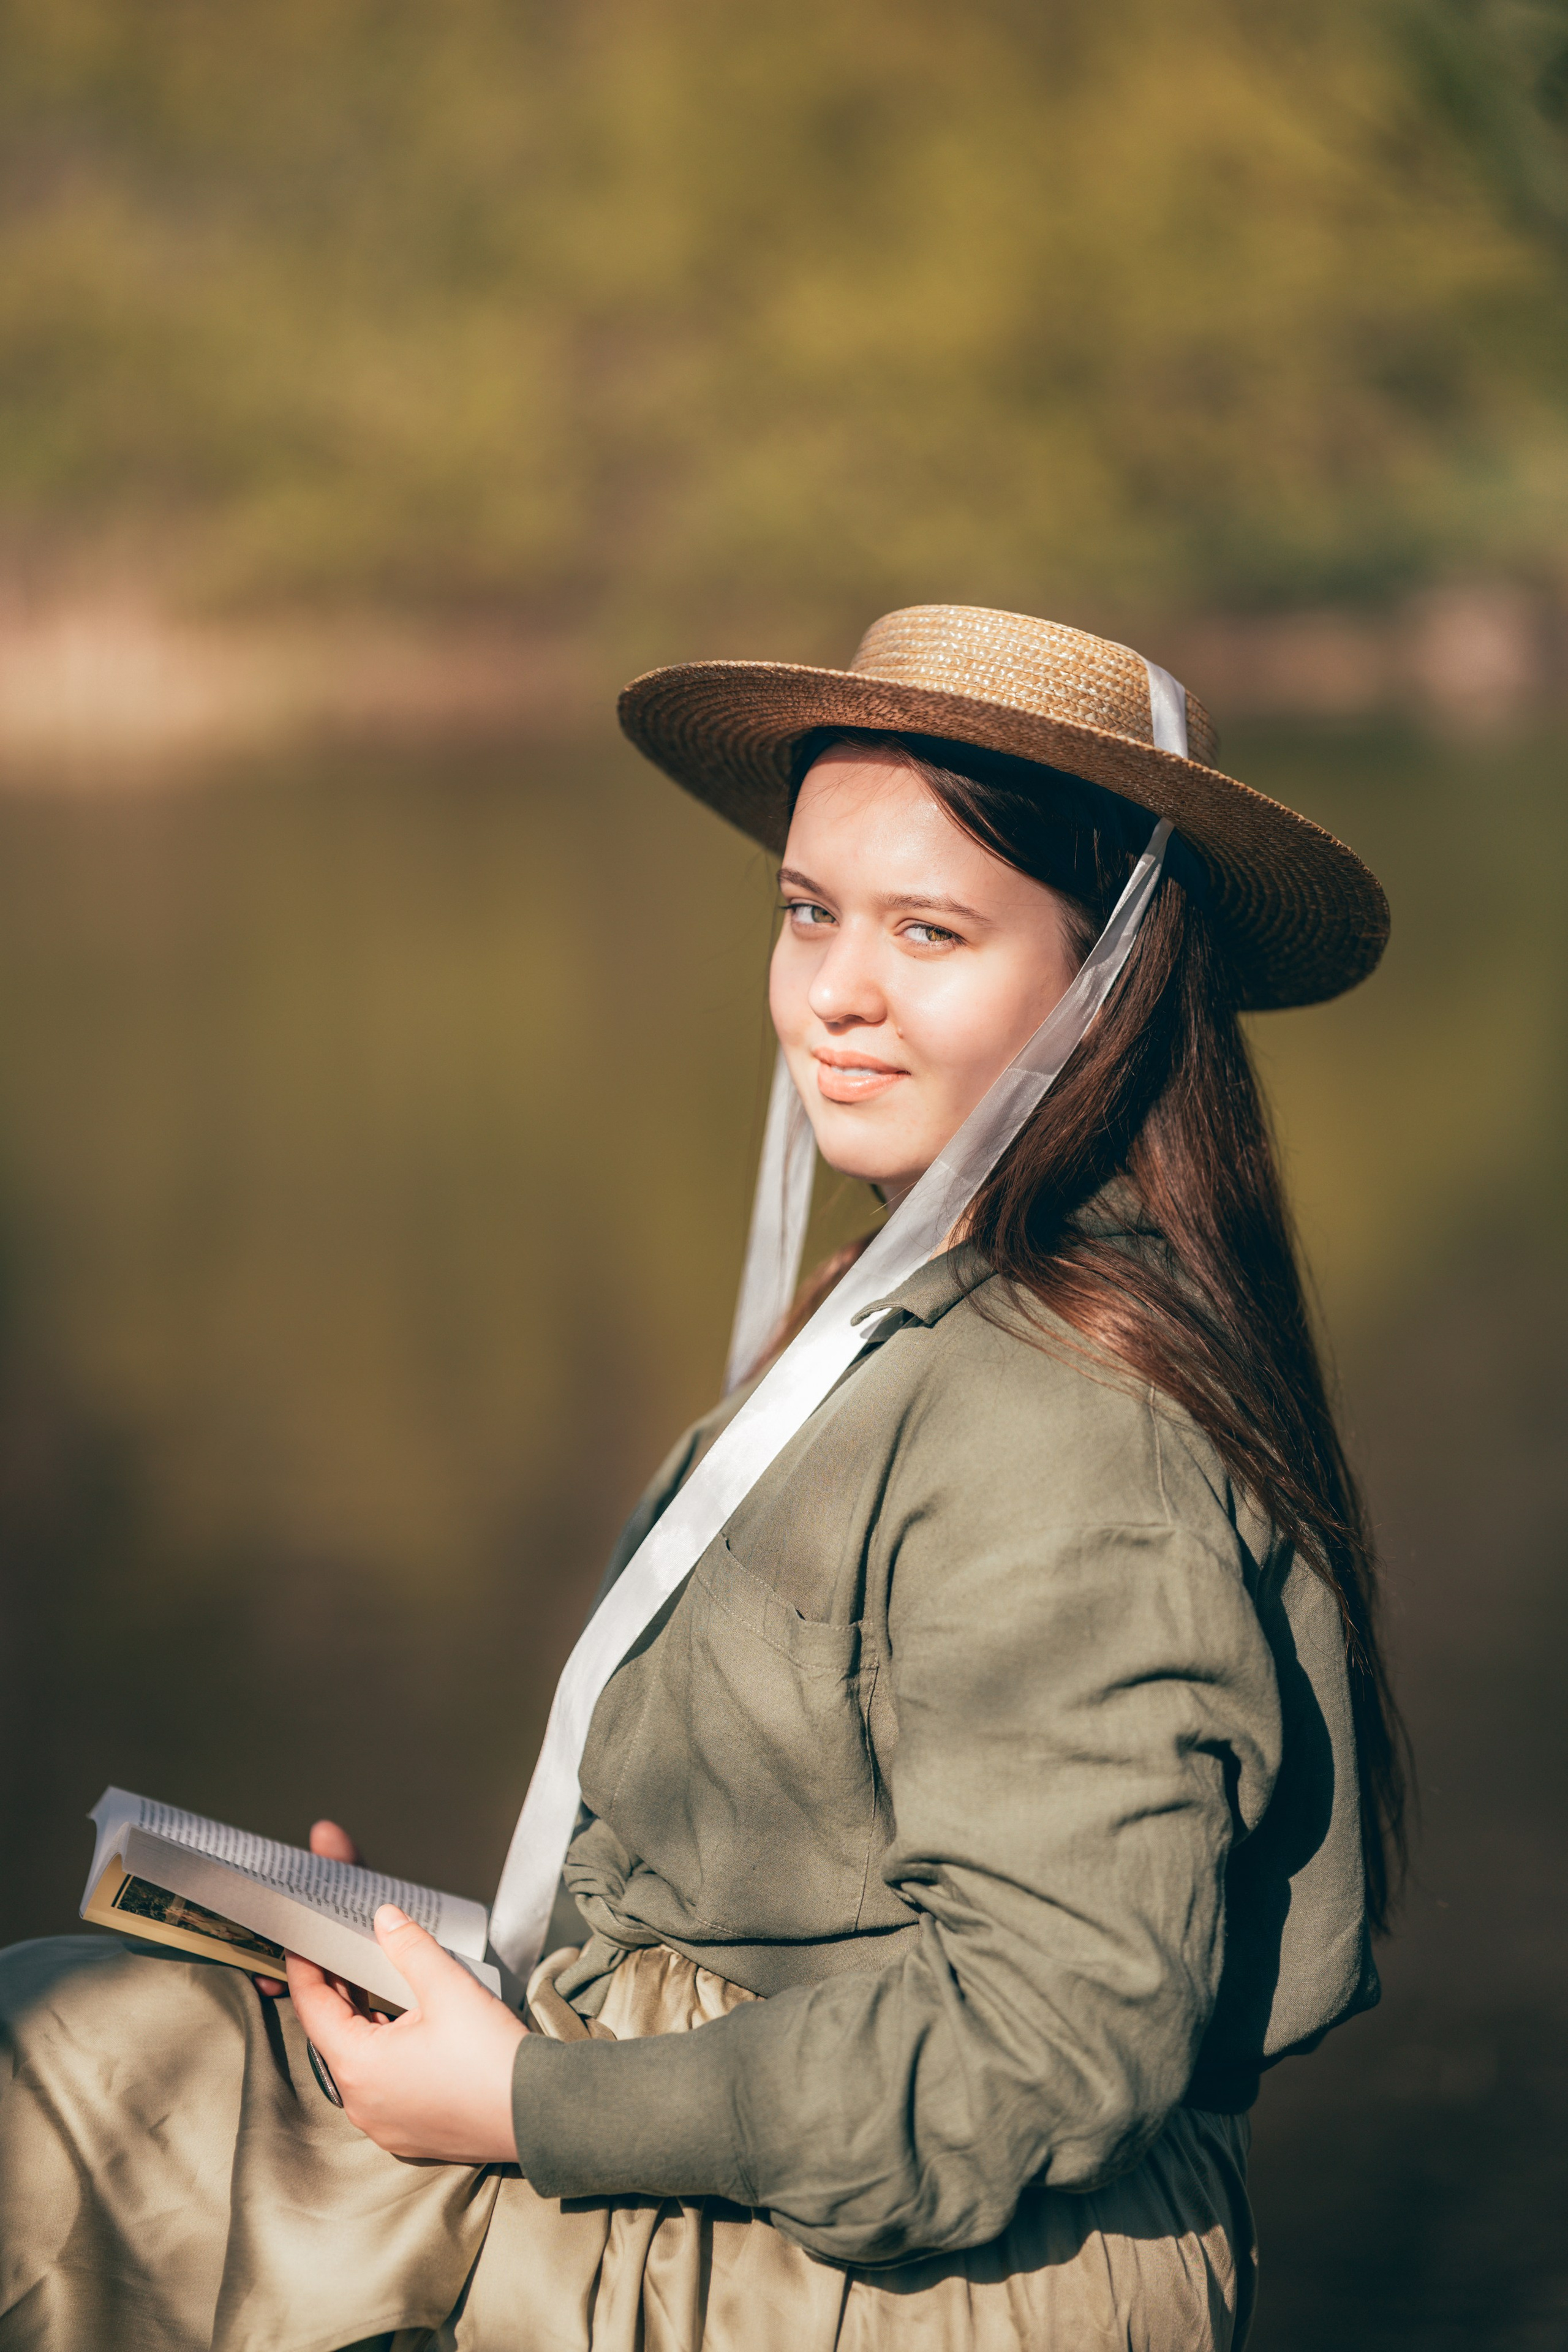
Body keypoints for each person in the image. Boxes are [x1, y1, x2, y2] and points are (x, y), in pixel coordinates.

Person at [0, 605, 1404, 2352]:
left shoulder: (1075, 1421)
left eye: (932, 930)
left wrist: (525, 2107)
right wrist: (435, 1962)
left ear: (1110, 982)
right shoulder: (908, 1319)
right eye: (811, 911)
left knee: (60, 2111)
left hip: (906, 2277)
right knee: (82, 2049)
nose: (837, 991)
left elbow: (1039, 2052)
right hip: (708, 2147)